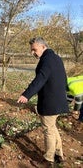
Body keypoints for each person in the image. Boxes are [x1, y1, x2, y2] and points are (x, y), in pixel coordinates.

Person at [17, 37, 69, 166]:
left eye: (34, 50)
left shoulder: (46, 60)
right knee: (52, 127)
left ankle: (48, 159)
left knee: (48, 131)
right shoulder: (56, 58)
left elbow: (40, 79)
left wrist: (26, 95)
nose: (32, 53)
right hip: (58, 100)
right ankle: (59, 154)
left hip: (50, 102)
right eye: (31, 50)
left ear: (43, 46)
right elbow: (64, 78)